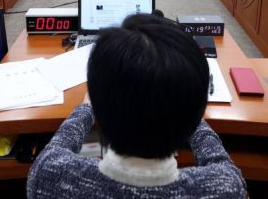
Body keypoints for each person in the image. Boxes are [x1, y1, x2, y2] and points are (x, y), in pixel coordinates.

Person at [27, 14, 247, 198]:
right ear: (194, 116)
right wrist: (185, 101)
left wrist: (86, 108)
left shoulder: (49, 174)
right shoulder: (226, 188)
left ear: (100, 112)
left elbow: (56, 147)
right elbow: (221, 162)